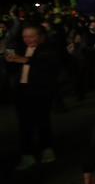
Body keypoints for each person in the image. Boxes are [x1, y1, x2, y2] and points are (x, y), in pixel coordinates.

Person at [5, 22, 63, 170]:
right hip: (22, 91)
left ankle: (47, 150)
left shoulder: (49, 48)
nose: (28, 40)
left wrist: (25, 60)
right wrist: (11, 61)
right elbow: (14, 69)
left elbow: (49, 65)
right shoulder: (22, 48)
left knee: (42, 120)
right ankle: (27, 154)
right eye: (25, 36)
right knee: (24, 124)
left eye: (31, 36)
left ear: (41, 36)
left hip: (40, 91)